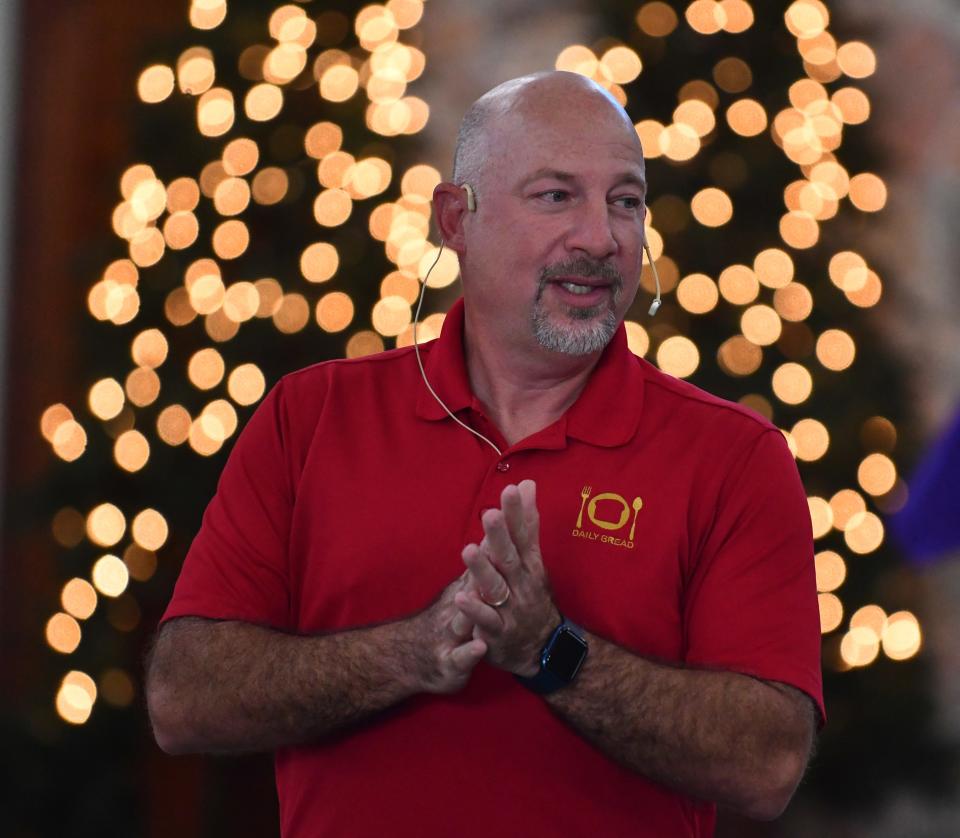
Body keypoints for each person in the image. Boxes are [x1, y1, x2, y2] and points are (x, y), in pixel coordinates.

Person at [147, 71, 823, 837]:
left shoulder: (736, 457)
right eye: (555, 196)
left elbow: (767, 763)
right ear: (453, 220)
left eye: (625, 202)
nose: (601, 238)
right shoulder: (310, 417)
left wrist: (551, 652)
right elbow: (184, 699)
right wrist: (410, 653)